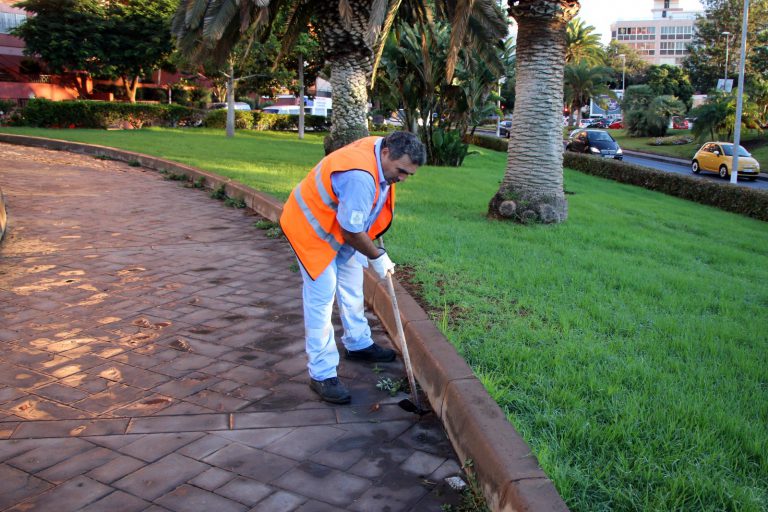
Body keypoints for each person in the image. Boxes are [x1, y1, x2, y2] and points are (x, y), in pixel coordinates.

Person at [280, 131, 426, 404]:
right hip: (311, 230)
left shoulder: (381, 146)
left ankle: (358, 343)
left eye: (409, 174)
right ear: (386, 154)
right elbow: (350, 231)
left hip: (339, 226)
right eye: (401, 171)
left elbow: (355, 222)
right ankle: (321, 373)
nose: (403, 179)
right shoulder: (360, 176)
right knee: (321, 299)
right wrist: (377, 256)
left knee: (351, 285)